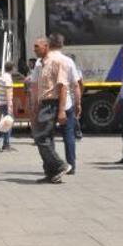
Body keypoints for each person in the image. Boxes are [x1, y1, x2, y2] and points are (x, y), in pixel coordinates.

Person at [31, 37, 72, 183]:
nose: (34, 49)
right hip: (44, 103)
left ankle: (61, 165)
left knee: (41, 137)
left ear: (46, 46)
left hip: (52, 104)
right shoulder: (42, 64)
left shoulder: (56, 62)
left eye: (37, 46)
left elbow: (63, 86)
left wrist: (61, 110)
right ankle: (51, 173)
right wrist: (36, 105)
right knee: (45, 139)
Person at [48, 33, 82, 174]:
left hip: (48, 104)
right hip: (66, 104)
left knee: (48, 137)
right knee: (69, 136)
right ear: (62, 45)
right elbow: (76, 85)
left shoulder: (42, 61)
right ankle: (71, 165)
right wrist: (78, 103)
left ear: (49, 44)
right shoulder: (68, 61)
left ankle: (54, 166)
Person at [0, 62, 15, 152]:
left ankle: (3, 142)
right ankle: (4, 142)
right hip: (5, 103)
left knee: (5, 123)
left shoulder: (2, 76)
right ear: (12, 68)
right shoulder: (8, 78)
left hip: (1, 102)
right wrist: (10, 106)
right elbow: (8, 92)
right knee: (8, 123)